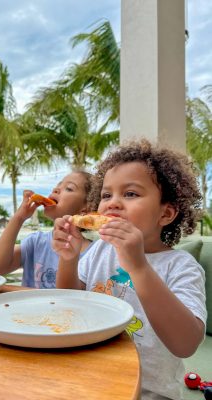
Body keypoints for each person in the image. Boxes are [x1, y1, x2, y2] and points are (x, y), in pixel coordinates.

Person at [52, 140, 207, 400]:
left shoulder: (181, 266)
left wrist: (139, 267)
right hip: (93, 380)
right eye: (106, 195)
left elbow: (186, 344)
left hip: (150, 392)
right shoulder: (100, 250)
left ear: (166, 214)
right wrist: (68, 258)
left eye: (131, 194)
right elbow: (70, 303)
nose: (113, 203)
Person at [0, 170, 95, 288]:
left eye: (69, 188)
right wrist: (19, 218)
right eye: (58, 185)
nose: (55, 189)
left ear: (85, 209)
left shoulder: (95, 254)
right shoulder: (36, 242)